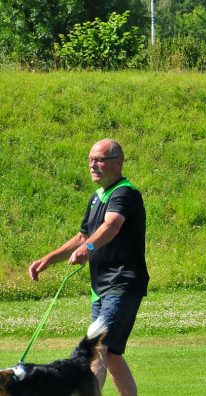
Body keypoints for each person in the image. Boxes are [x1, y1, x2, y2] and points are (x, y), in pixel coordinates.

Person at [28, 139, 148, 396]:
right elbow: (83, 236)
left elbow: (112, 225)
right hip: (100, 287)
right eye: (91, 159)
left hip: (122, 282)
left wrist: (89, 249)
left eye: (100, 160)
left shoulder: (124, 193)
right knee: (111, 354)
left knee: (98, 347)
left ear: (118, 163)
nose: (93, 165)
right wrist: (49, 259)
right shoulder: (97, 197)